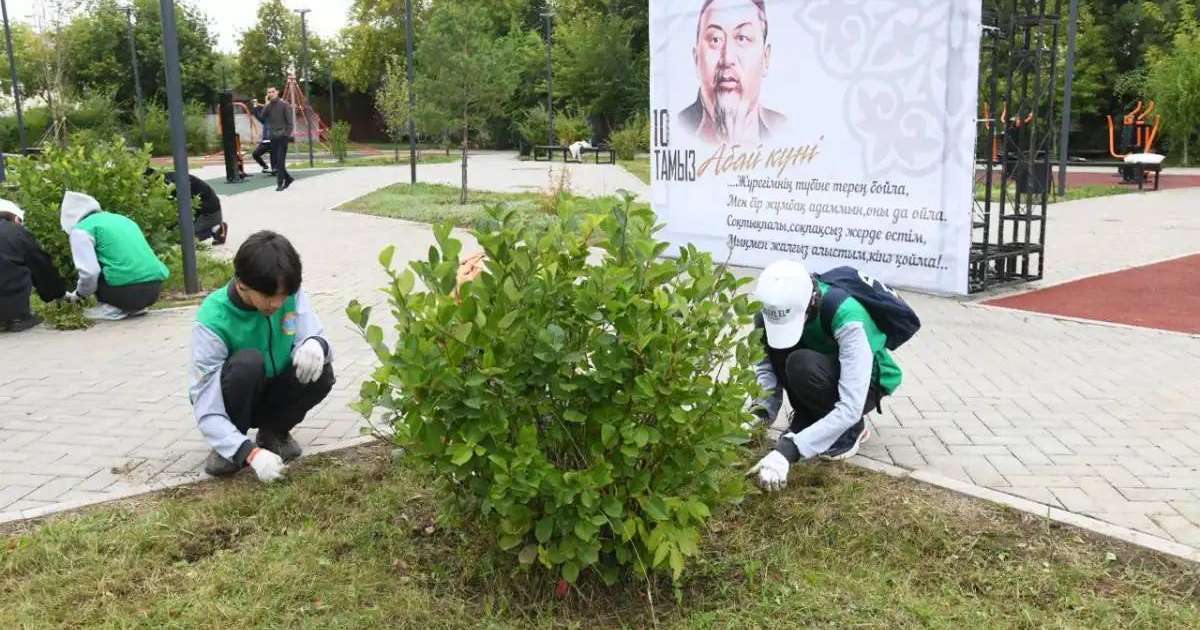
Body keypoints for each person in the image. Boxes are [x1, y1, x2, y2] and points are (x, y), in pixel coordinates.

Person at [746, 260, 904, 492]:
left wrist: (789, 451)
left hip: (867, 383)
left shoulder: (847, 315)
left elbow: (850, 406)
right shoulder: (769, 311)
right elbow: (767, 368)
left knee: (801, 363)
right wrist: (757, 417)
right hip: (822, 371)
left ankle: (851, 432)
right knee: (789, 356)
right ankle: (809, 419)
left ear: (810, 303)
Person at [189, 230, 334, 481]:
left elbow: (315, 334)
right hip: (238, 399)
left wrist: (316, 344)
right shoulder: (213, 320)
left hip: (276, 392)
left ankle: (274, 433)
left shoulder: (289, 293)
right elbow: (205, 405)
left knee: (321, 371)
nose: (277, 304)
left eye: (284, 296)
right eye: (268, 296)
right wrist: (249, 453)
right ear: (242, 284)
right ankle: (229, 448)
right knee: (248, 363)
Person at [678, 0, 787, 146]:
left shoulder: (786, 131)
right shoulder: (676, 128)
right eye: (715, 40)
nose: (727, 58)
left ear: (765, 58)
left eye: (742, 38)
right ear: (696, 59)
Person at [59, 191, 169, 321]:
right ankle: (134, 308)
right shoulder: (123, 220)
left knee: (96, 265)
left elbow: (90, 273)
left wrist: (79, 295)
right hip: (154, 290)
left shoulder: (81, 230)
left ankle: (112, 308)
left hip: (123, 294)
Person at [0, 200, 65, 332]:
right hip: (7, 308)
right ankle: (16, 318)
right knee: (18, 265)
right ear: (16, 218)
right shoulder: (15, 232)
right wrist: (56, 293)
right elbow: (41, 266)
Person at [148, 168, 229, 245]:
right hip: (203, 208)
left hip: (208, 213)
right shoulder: (167, 178)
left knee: (181, 239)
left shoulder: (170, 184)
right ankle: (213, 227)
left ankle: (216, 229)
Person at [262, 86, 295, 191]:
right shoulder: (268, 106)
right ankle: (288, 178)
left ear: (277, 92)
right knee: (276, 163)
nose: (271, 94)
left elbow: (290, 123)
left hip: (282, 137)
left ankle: (280, 184)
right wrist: (266, 103)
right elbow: (262, 117)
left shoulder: (284, 105)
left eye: (273, 92)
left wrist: (286, 135)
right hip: (273, 137)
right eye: (269, 92)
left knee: (280, 161)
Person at [250, 96, 275, 176]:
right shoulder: (265, 119)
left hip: (274, 142)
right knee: (255, 154)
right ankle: (265, 167)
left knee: (275, 165)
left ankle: (275, 169)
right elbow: (256, 114)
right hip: (265, 142)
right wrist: (255, 104)